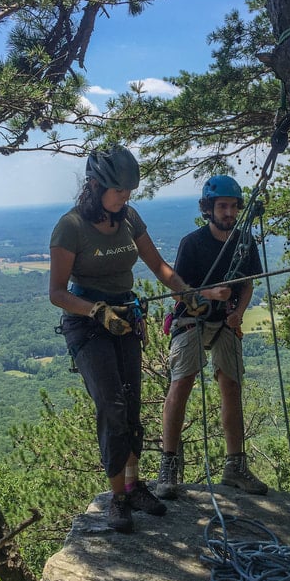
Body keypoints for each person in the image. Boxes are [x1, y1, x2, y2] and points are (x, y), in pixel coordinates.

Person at [49, 145, 205, 533]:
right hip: (87, 323)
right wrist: (97, 311)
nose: (126, 198)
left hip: (127, 315)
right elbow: (57, 293)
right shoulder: (70, 227)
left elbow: (158, 266)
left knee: (132, 405)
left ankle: (135, 486)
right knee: (112, 407)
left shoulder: (130, 218)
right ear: (95, 185)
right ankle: (117, 497)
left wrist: (185, 291)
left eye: (129, 192)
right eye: (119, 191)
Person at [157, 174, 269, 499]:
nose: (229, 213)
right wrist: (209, 293)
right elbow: (180, 293)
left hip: (225, 321)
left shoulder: (244, 242)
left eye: (233, 207)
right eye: (222, 206)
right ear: (209, 208)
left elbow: (247, 284)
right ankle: (168, 464)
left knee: (231, 386)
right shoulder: (192, 244)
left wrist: (239, 312)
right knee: (183, 381)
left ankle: (235, 466)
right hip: (190, 319)